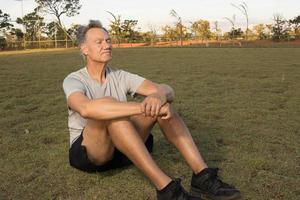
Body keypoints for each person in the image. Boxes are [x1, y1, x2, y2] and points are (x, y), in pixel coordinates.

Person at [62, 20, 241, 200]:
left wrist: (158, 97)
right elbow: (86, 109)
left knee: (163, 106)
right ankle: (167, 191)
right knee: (113, 112)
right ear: (84, 49)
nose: (106, 45)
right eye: (99, 42)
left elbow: (167, 89)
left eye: (108, 41)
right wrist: (142, 107)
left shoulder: (120, 75)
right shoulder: (74, 79)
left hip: (122, 149)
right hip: (90, 153)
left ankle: (202, 176)